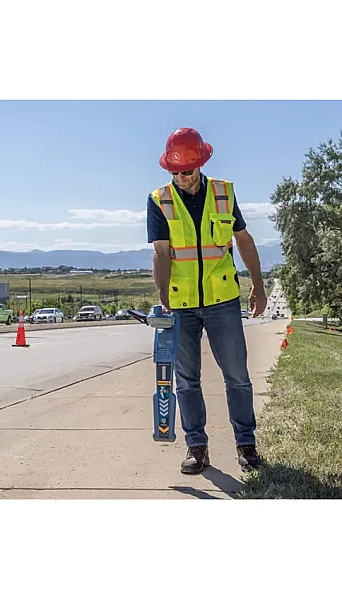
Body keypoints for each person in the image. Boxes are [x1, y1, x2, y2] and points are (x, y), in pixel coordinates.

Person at [146, 127, 268, 474]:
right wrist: (163, 296)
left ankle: (246, 445)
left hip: (223, 300)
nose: (181, 178)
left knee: (237, 376)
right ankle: (197, 447)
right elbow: (161, 252)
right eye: (174, 172)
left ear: (200, 164)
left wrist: (257, 286)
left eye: (186, 171)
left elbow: (243, 240)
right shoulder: (159, 200)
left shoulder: (223, 193)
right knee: (187, 380)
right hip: (181, 305)